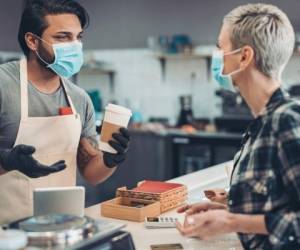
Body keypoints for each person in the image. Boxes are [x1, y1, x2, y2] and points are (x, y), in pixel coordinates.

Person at [176, 4, 299, 250]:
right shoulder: (261, 123)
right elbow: (277, 203)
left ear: (244, 56)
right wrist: (227, 208)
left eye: (220, 47)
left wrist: (231, 221)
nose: (216, 54)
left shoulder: (286, 120)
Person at [0, 0, 130, 224]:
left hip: (62, 227)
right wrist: (6, 161)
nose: (74, 45)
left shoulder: (79, 98)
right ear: (32, 41)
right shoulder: (4, 84)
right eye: (63, 37)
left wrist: (110, 159)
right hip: (6, 232)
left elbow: (90, 173)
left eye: (78, 37)